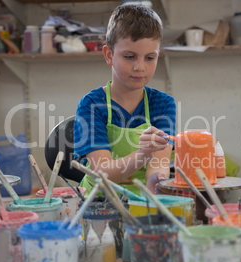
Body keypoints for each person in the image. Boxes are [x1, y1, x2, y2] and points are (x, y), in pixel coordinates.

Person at [74, 4, 176, 196]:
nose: (140, 67)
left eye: (149, 58)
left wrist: (157, 181)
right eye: (130, 56)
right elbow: (102, 174)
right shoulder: (92, 105)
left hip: (140, 201)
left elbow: (158, 165)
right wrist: (143, 153)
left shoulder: (163, 104)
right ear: (109, 55)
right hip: (96, 204)